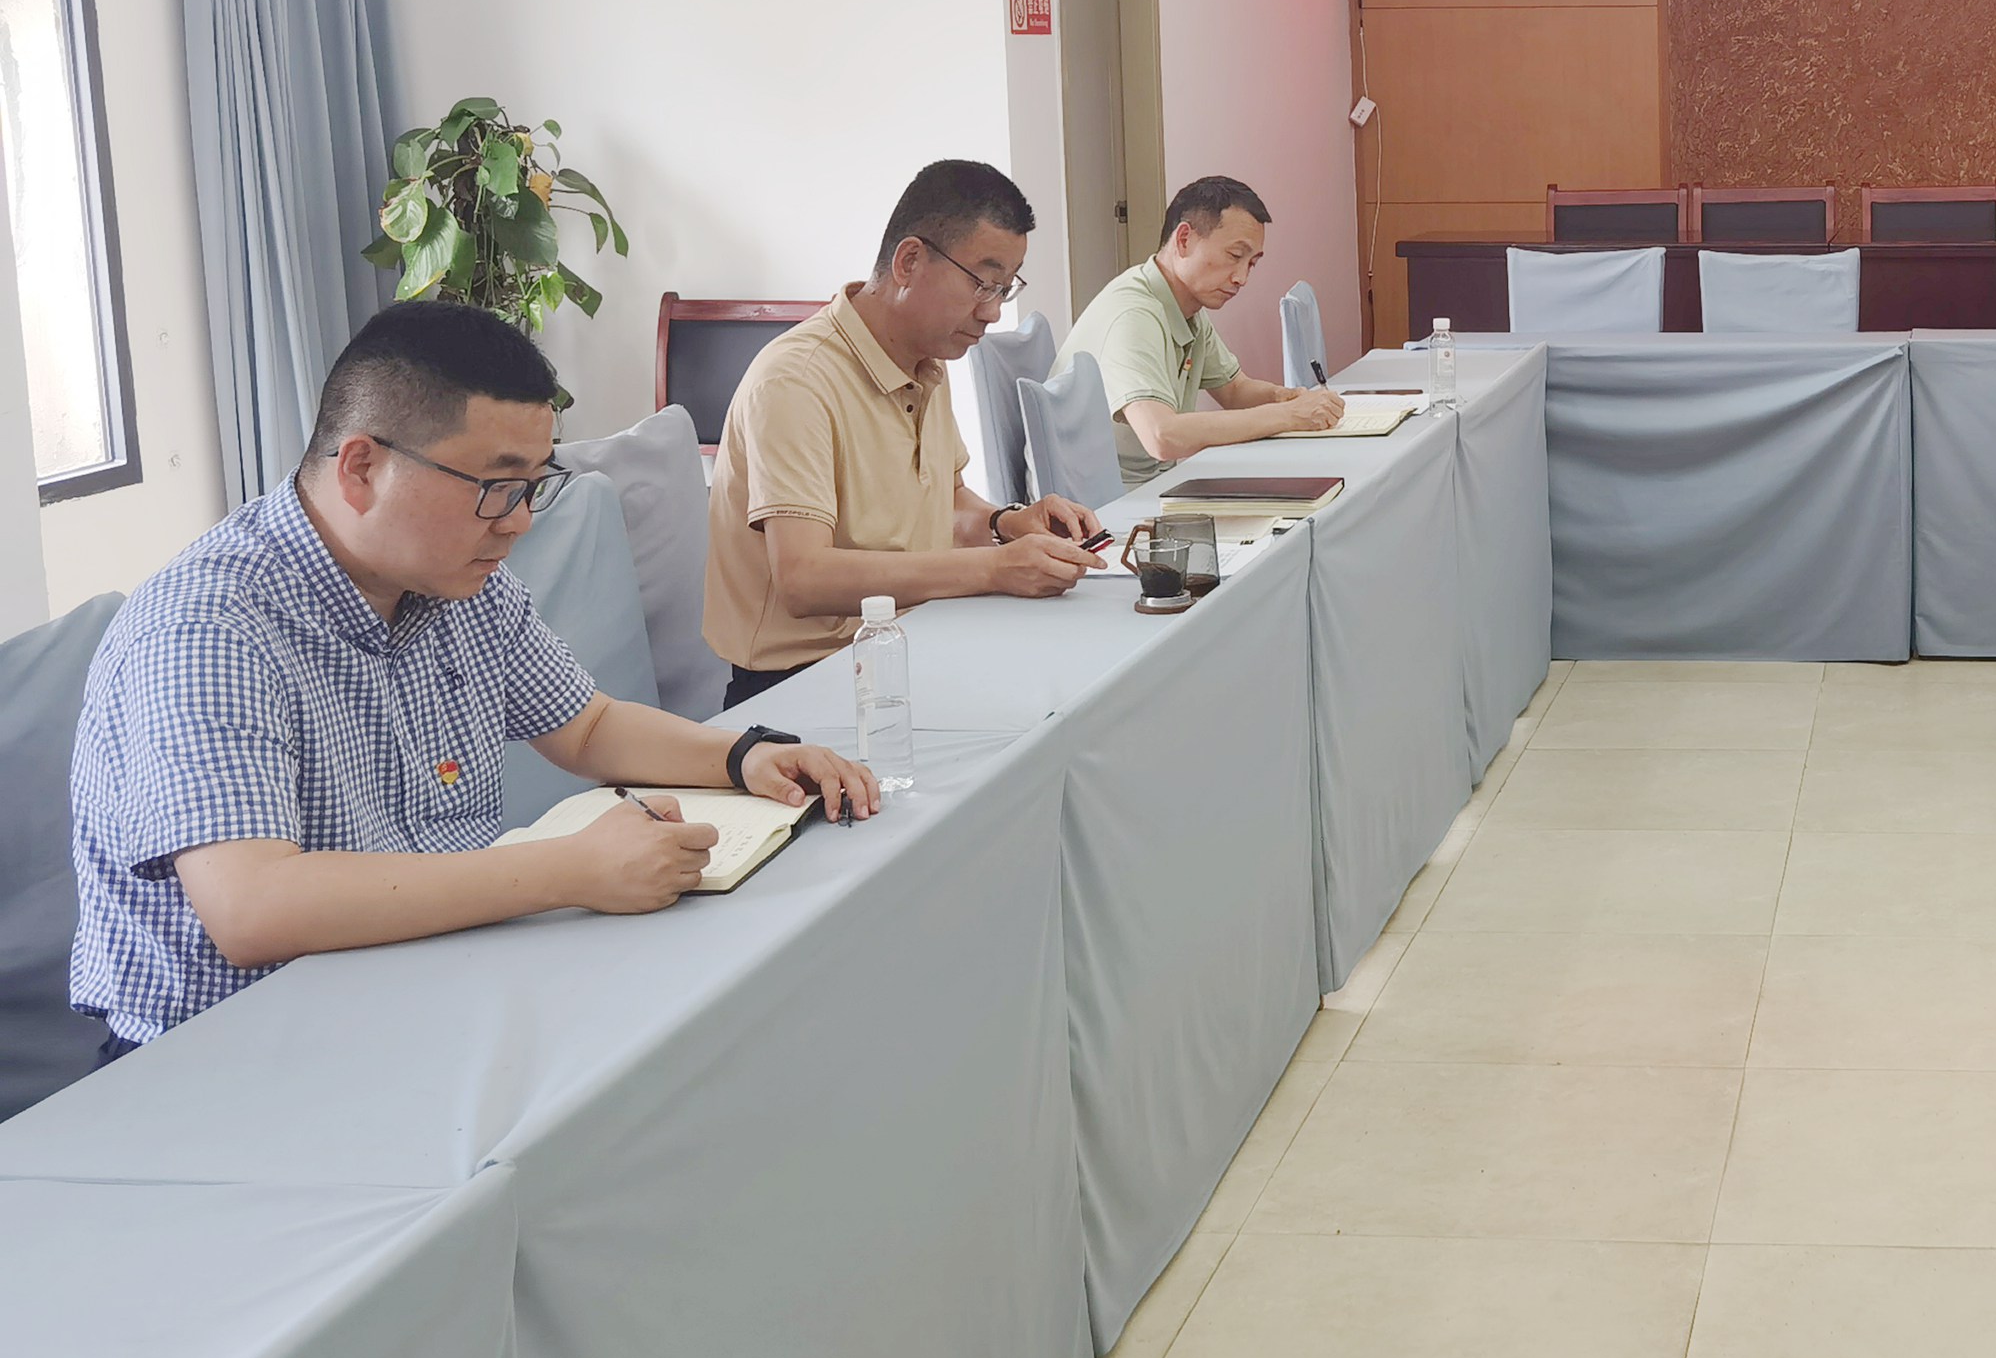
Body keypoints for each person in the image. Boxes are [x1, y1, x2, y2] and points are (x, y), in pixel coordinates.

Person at [67, 301, 881, 1056]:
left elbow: (587, 726)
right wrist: (572, 869)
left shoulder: (456, 580)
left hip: (421, 990)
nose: (519, 521)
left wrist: (742, 754)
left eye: (533, 486)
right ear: (361, 468)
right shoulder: (207, 627)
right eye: (496, 486)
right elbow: (254, 907)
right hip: (229, 1054)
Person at [706, 159, 1102, 708]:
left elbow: (946, 502)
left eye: (1004, 289)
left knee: (1082, 686)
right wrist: (994, 568)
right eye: (982, 284)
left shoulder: (926, 359)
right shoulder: (796, 381)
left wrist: (1006, 524)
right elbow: (804, 579)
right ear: (909, 261)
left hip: (910, 644)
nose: (991, 312)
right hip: (802, 682)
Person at [1064, 174, 1344, 489]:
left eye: (1252, 263)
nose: (1241, 278)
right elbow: (1162, 436)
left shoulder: (1187, 308)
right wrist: (1289, 416)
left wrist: (1287, 398)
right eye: (1235, 256)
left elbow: (1235, 390)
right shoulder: (1134, 314)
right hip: (1103, 501)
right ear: (1184, 240)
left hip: (1148, 484)